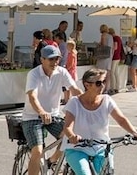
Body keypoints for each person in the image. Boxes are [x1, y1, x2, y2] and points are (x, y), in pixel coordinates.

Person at [62, 68, 137, 175]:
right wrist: (72, 136)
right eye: (98, 83)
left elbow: (121, 119)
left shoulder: (107, 100)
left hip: (101, 148)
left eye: (104, 82)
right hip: (77, 148)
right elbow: (67, 127)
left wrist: (135, 133)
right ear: (87, 85)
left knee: (105, 172)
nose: (102, 86)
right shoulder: (75, 102)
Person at [21, 45, 83, 175]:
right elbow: (32, 96)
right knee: (37, 151)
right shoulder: (34, 74)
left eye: (57, 59)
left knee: (68, 138)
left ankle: (51, 161)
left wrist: (88, 103)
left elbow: (75, 90)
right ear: (42, 59)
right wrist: (42, 112)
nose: (54, 62)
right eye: (51, 59)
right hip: (33, 117)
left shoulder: (62, 72)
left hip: (54, 116)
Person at [108, 27, 124, 95]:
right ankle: (118, 87)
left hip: (114, 57)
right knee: (116, 72)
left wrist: (111, 54)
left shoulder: (114, 38)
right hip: (118, 57)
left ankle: (113, 87)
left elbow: (115, 47)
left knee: (112, 72)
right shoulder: (119, 38)